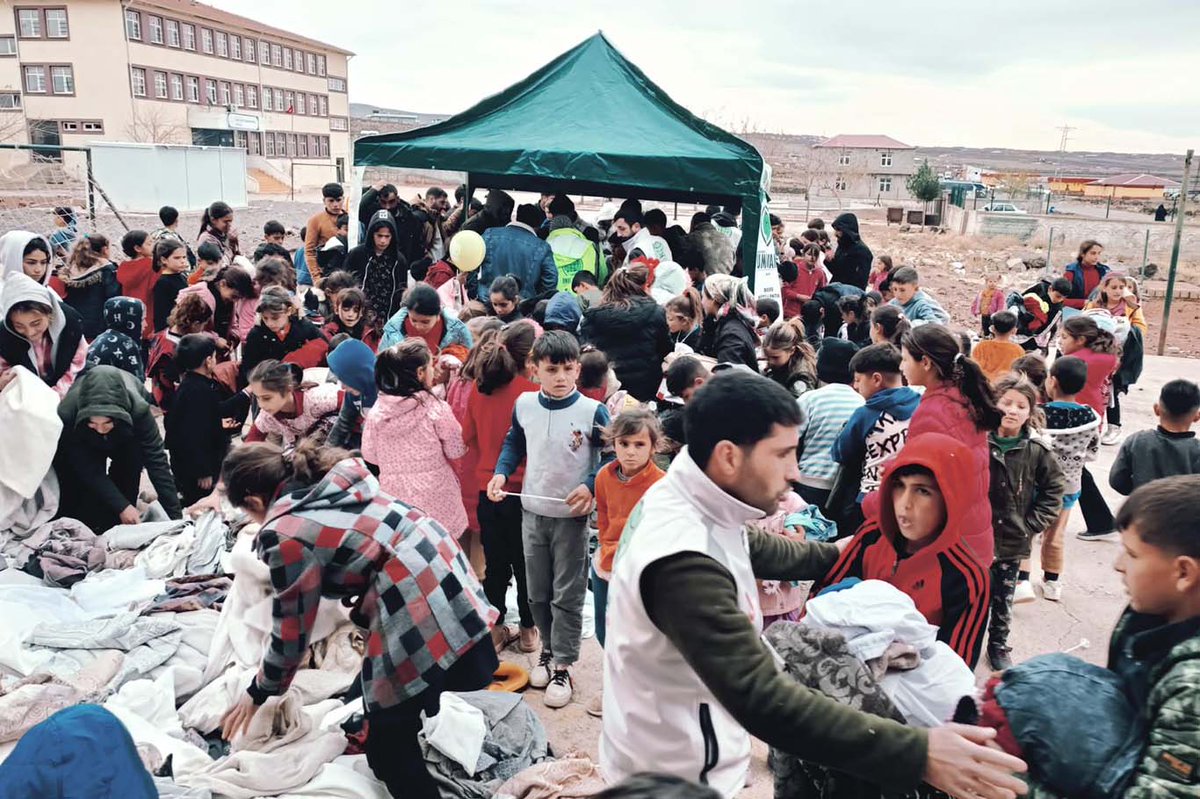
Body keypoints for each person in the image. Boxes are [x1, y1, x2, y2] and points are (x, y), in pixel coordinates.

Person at [600, 371, 1026, 797]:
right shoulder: (684, 564)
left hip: (683, 744)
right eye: (783, 454)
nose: (795, 471)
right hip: (675, 772)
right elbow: (762, 697)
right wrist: (918, 753)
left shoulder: (690, 500)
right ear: (730, 457)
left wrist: (838, 553)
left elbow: (751, 544)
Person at [216, 441, 498, 799]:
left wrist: (260, 690)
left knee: (387, 748)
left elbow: (291, 630)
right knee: (386, 699)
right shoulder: (332, 484)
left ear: (254, 503)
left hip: (414, 593)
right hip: (442, 566)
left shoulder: (285, 532)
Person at [487, 331, 611, 709]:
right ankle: (547, 650)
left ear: (578, 369)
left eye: (568, 369)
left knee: (567, 594)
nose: (560, 377)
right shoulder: (524, 404)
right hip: (532, 512)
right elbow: (514, 443)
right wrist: (501, 473)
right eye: (552, 369)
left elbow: (609, 455)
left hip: (572, 518)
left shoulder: (593, 411)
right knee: (536, 591)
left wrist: (590, 485)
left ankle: (563, 664)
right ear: (535, 369)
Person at [820, 432, 992, 667]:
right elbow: (823, 598)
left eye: (923, 491)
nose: (904, 504)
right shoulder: (872, 534)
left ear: (952, 497)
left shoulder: (967, 577)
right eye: (899, 486)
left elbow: (954, 671)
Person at [463, 322, 541, 655]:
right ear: (531, 358)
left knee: (495, 566)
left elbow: (467, 438)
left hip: (487, 492)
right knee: (526, 566)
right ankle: (527, 630)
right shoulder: (534, 394)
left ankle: (495, 631)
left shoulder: (478, 391)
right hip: (525, 492)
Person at [899, 324, 1002, 563]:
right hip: (972, 533)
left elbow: (922, 485)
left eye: (904, 359)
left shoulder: (933, 413)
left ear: (925, 362)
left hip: (949, 545)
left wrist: (874, 504)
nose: (901, 367)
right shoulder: (962, 397)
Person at [985, 375, 1066, 669]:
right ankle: (963, 640)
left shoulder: (1037, 451)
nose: (1012, 410)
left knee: (1004, 598)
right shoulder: (979, 442)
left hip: (1013, 539)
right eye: (1006, 402)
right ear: (993, 404)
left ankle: (998, 645)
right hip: (975, 536)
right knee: (971, 593)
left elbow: (1055, 488)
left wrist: (1033, 523)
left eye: (1021, 405)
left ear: (1030, 413)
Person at [589, 408, 666, 717]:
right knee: (604, 631)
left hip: (642, 570)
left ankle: (636, 692)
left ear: (653, 447)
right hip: (607, 564)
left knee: (640, 635)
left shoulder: (661, 484)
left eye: (639, 445)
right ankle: (615, 684)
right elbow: (604, 517)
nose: (630, 452)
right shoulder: (604, 476)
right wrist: (609, 546)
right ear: (613, 444)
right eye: (624, 444)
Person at [54, 364, 181, 531]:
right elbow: (86, 466)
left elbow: (157, 462)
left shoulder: (139, 411)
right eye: (94, 423)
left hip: (126, 433)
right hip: (83, 435)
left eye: (106, 423)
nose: (100, 429)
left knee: (128, 470)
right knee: (82, 496)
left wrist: (176, 518)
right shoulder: (68, 413)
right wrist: (120, 505)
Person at [362, 339, 469, 536]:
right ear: (420, 373)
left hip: (395, 498)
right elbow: (456, 449)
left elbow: (370, 455)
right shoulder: (436, 408)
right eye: (431, 365)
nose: (434, 370)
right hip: (437, 494)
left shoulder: (377, 413)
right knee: (443, 547)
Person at [1022, 355, 1101, 603]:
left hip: (1035, 482)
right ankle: (1052, 583)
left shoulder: (1039, 414)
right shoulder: (1090, 416)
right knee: (1055, 536)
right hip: (1068, 486)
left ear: (1052, 381)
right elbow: (1092, 452)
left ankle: (1021, 580)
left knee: (1027, 532)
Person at [833, 342, 921, 520]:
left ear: (876, 379)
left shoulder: (866, 414)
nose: (856, 387)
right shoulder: (922, 405)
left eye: (858, 380)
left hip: (870, 497)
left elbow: (841, 453)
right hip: (911, 498)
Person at [1058, 315, 1119, 541]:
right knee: (1076, 469)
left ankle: (1101, 521)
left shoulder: (1077, 362)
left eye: (1064, 337)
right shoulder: (1102, 356)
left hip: (1073, 419)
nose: (1061, 342)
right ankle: (1101, 521)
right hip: (1091, 416)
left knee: (1074, 470)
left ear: (1081, 339)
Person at [165, 334, 242, 506]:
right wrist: (203, 471)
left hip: (190, 462)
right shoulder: (198, 391)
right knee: (201, 505)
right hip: (197, 468)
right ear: (208, 361)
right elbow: (192, 435)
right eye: (214, 356)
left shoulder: (191, 385)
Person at [580, 262, 672, 402]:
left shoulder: (593, 317)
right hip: (645, 389)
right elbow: (666, 349)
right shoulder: (655, 312)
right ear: (644, 286)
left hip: (607, 389)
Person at [796, 338, 864, 508]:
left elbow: (789, 438)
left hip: (807, 483)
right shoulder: (862, 403)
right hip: (843, 488)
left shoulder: (810, 399)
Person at [0, 272, 87, 397]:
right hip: (27, 394)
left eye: (36, 323)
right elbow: (5, 370)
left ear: (50, 313)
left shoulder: (70, 324)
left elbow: (76, 364)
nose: (30, 333)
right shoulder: (4, 336)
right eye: (19, 326)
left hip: (67, 388)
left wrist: (54, 396)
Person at [1110, 379, 1200, 495]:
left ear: (1157, 409)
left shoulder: (1137, 441)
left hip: (1142, 509)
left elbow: (1117, 480)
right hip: (1185, 512)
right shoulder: (1196, 450)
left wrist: (1138, 494)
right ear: (1197, 417)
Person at [239, 287, 329, 386]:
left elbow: (325, 352)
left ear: (289, 311)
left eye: (275, 318)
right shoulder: (256, 334)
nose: (270, 323)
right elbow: (248, 368)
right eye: (265, 318)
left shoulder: (306, 329)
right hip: (268, 386)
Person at [244, 359, 342, 449]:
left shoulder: (318, 398)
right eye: (257, 398)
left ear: (287, 389)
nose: (261, 405)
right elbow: (250, 446)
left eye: (267, 398)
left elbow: (353, 401)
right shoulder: (266, 417)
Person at [147, 292, 213, 413]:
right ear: (195, 324)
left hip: (164, 394)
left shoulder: (162, 334)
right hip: (175, 402)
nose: (202, 329)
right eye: (203, 325)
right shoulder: (175, 350)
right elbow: (175, 383)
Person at [477, 203, 557, 302]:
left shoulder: (490, 235)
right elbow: (551, 279)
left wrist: (475, 290)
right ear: (537, 225)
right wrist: (534, 301)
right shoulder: (542, 247)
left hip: (487, 300)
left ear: (516, 217)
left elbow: (471, 261)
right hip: (522, 305)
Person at [51, 234, 121, 339]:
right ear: (105, 249)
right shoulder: (107, 270)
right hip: (98, 327)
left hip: (72, 323)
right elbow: (114, 298)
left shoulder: (70, 269)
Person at [380, 283, 473, 354]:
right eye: (414, 320)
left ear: (438, 316)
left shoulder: (458, 331)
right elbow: (382, 363)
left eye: (425, 322)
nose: (419, 326)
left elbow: (468, 361)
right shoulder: (393, 330)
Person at [178, 263, 254, 349]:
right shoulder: (200, 298)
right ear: (223, 283)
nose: (235, 301)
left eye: (239, 298)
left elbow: (233, 323)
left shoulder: (228, 298)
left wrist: (233, 337)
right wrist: (215, 340)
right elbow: (188, 328)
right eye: (234, 296)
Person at [698, 274, 759, 371]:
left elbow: (728, 376)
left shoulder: (731, 334)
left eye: (703, 297)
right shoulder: (725, 323)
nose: (701, 302)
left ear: (714, 299)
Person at [325, 337, 377, 450]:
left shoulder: (387, 393)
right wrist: (326, 453)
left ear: (360, 375)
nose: (343, 387)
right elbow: (344, 423)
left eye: (346, 380)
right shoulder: (354, 392)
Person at [86, 297, 146, 382]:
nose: (145, 325)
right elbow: (136, 384)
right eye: (142, 320)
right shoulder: (127, 344)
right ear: (130, 320)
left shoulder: (101, 338)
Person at [116, 230, 157, 341]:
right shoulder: (151, 265)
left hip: (130, 317)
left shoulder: (123, 267)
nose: (153, 246)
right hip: (149, 316)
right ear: (138, 248)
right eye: (149, 243)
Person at [761, 318, 817, 398]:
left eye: (775, 357)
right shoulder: (780, 365)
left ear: (792, 351)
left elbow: (797, 406)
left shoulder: (801, 376)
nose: (771, 361)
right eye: (767, 356)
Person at [304, 182, 345, 285]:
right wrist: (317, 278)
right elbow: (309, 251)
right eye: (331, 201)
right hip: (326, 273)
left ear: (343, 199)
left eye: (339, 200)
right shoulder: (315, 220)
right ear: (324, 201)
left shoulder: (351, 218)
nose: (335, 204)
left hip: (346, 271)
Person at [150, 238, 191, 333]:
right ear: (164, 259)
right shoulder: (163, 282)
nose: (182, 261)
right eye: (177, 258)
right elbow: (161, 314)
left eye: (184, 257)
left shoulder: (182, 276)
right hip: (172, 331)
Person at [973, 310, 1025, 381]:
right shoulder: (1018, 350)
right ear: (1014, 331)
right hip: (1004, 387)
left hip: (984, 386)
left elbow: (973, 368)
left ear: (992, 328)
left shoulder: (981, 346)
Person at [825, 212, 873, 289]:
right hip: (837, 288)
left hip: (851, 292)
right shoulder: (842, 246)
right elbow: (837, 272)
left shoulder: (862, 251)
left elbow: (860, 278)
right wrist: (830, 260)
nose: (836, 233)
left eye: (838, 230)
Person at [780, 243, 827, 320]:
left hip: (809, 313)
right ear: (803, 254)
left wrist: (814, 302)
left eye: (815, 255)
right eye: (809, 254)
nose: (812, 258)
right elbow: (784, 290)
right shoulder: (794, 269)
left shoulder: (820, 273)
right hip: (791, 312)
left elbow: (821, 291)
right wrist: (798, 296)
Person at [1062, 239, 1109, 310]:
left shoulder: (1104, 271)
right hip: (1075, 312)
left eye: (1099, 253)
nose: (1097, 257)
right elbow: (1059, 300)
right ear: (1082, 254)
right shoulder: (1071, 273)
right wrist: (1084, 303)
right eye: (1093, 253)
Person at [196, 200, 239, 267]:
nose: (229, 225)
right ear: (213, 220)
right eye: (225, 222)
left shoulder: (223, 234)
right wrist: (230, 243)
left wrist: (234, 242)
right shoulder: (207, 239)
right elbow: (222, 263)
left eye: (230, 221)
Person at [971, 269, 1007, 337]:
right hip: (984, 314)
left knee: (993, 329)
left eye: (995, 282)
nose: (993, 283)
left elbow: (1001, 304)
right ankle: (985, 337)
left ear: (998, 282)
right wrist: (975, 310)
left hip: (993, 316)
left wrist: (998, 312)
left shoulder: (999, 293)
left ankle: (992, 339)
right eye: (990, 281)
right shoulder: (983, 292)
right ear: (986, 282)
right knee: (985, 327)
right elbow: (977, 301)